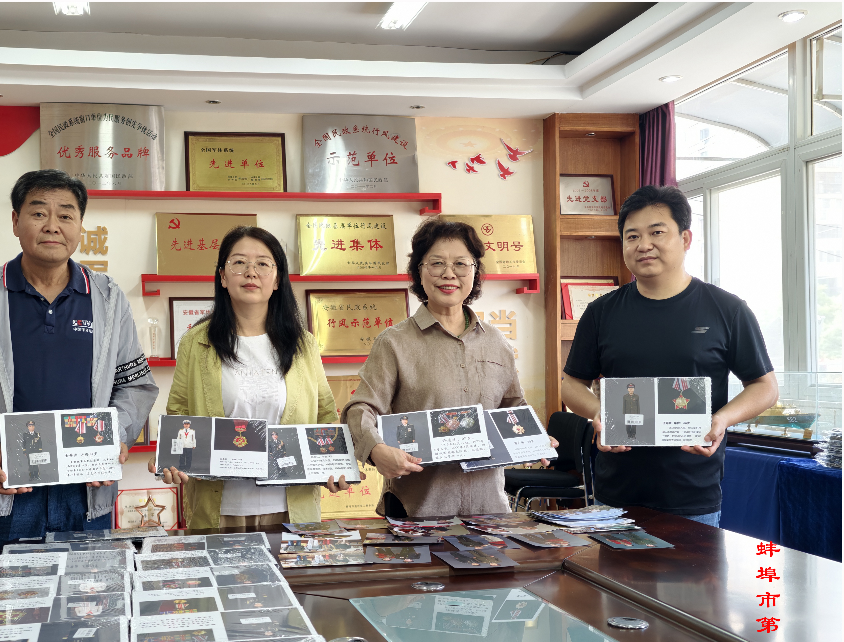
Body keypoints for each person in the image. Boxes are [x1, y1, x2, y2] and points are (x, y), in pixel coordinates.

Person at [0, 169, 158, 581]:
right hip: (7, 494)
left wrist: (114, 436)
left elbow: (135, 384)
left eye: (66, 215)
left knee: (89, 604)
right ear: (16, 222)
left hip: (86, 495)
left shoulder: (107, 297)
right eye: (38, 213)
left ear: (81, 226)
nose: (52, 225)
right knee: (7, 611)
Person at [561, 185, 778, 527]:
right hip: (615, 492)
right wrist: (599, 413)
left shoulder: (727, 309)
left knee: (691, 566)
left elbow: (764, 387)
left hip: (693, 493)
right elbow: (571, 384)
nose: (643, 245)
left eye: (657, 232)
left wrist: (721, 419)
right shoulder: (601, 312)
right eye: (632, 236)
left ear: (685, 238)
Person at [342, 218, 556, 518]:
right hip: (417, 508)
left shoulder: (496, 342)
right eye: (437, 263)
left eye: (460, 264)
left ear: (475, 272)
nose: (449, 274)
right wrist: (376, 450)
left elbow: (512, 406)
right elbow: (361, 408)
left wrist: (534, 437)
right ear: (419, 271)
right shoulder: (393, 342)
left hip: (488, 509)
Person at [150, 226, 355, 530]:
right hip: (219, 508)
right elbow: (179, 413)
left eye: (262, 263)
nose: (251, 272)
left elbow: (325, 414)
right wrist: (170, 459)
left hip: (291, 507)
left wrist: (335, 466)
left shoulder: (303, 344)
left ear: (277, 279)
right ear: (222, 276)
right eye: (239, 262)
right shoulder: (196, 342)